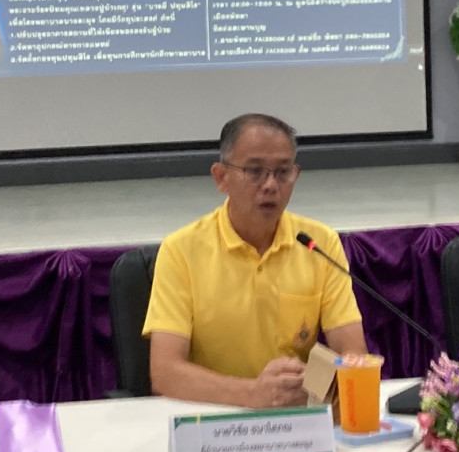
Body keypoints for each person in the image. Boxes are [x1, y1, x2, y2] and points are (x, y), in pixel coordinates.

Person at [143, 113, 368, 407]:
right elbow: (165, 373)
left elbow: (355, 356)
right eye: (255, 171)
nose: (271, 185)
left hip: (292, 416)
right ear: (221, 177)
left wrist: (310, 386)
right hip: (211, 415)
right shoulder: (181, 250)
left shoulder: (318, 244)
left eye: (283, 172)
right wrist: (252, 394)